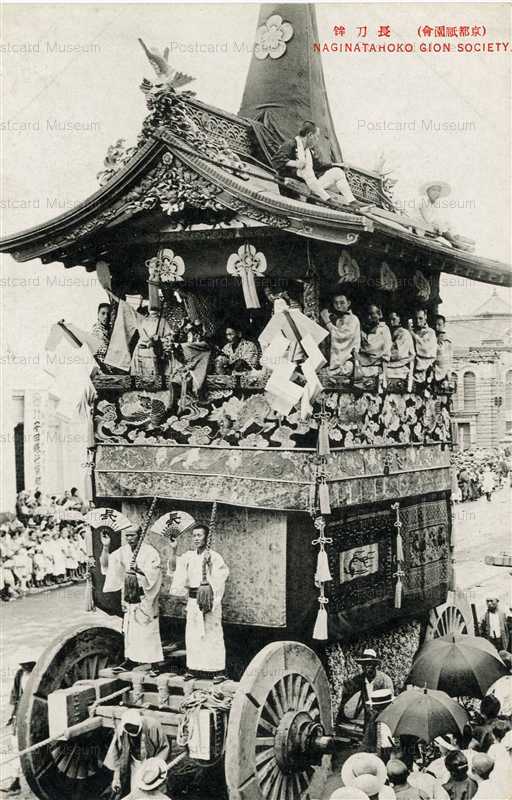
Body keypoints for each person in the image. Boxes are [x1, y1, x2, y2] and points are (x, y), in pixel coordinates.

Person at [169, 524, 229, 681]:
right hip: (193, 600)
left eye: (199, 535)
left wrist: (210, 601)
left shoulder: (214, 557)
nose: (196, 538)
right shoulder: (188, 556)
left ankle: (218, 670)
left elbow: (221, 577)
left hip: (208, 600)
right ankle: (193, 668)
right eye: (194, 535)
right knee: (193, 635)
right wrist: (174, 550)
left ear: (207, 538)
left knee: (212, 634)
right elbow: (175, 568)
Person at [100, 524, 164, 671]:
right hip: (129, 595)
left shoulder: (150, 552)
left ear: (140, 536)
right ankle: (131, 660)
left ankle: (154, 663)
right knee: (130, 631)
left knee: (147, 629)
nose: (129, 538)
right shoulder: (122, 552)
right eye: (127, 535)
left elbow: (155, 574)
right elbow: (106, 565)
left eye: (132, 535)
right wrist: (105, 546)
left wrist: (140, 570)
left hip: (145, 595)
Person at [272, 120, 371, 211]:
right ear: (310, 135)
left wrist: (337, 164)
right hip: (294, 186)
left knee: (337, 172)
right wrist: (295, 164)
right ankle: (329, 201)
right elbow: (276, 160)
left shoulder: (308, 150)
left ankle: (352, 201)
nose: (317, 139)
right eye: (317, 136)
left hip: (311, 185)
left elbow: (318, 166)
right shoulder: (291, 144)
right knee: (306, 169)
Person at [104, 709, 169, 799]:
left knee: (154, 787)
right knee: (137, 791)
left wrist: (155, 767)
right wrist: (116, 778)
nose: (132, 731)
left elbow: (164, 748)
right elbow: (117, 755)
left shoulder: (153, 725)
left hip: (151, 762)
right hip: (134, 762)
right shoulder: (121, 730)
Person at [1, 649, 39, 796]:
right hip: (20, 715)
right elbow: (14, 696)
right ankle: (16, 782)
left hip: (34, 715)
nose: (24, 667)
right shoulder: (19, 674)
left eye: (27, 665)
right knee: (16, 747)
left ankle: (35, 780)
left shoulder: (39, 675)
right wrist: (10, 716)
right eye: (22, 665)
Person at [335, 648, 394, 732]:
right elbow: (346, 691)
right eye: (364, 664)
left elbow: (390, 703)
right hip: (368, 718)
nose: (366, 667)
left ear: (375, 665)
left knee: (381, 740)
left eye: (369, 664)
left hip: (382, 718)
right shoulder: (360, 679)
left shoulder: (385, 681)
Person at [418, 182, 474, 251]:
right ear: (427, 191)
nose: (436, 193)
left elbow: (439, 218)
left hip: (435, 228)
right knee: (438, 222)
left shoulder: (435, 205)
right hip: (422, 228)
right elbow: (428, 219)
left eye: (438, 191)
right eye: (433, 190)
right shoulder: (423, 203)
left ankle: (456, 237)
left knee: (448, 222)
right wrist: (439, 224)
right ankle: (455, 243)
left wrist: (445, 224)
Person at [320, 293, 361, 376]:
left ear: (348, 303)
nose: (338, 306)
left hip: (348, 362)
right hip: (338, 363)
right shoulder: (339, 319)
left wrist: (327, 321)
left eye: (342, 303)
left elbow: (341, 336)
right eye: (336, 303)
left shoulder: (353, 319)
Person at [358, 305, 392, 379]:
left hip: (377, 366)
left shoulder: (384, 329)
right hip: (362, 364)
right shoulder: (362, 330)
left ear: (379, 315)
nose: (369, 318)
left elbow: (385, 352)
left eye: (372, 314)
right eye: (367, 315)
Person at [409, 310, 437, 382]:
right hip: (411, 370)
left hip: (424, 371)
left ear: (425, 317)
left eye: (420, 318)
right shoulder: (411, 331)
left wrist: (414, 336)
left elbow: (426, 350)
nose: (418, 321)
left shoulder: (431, 332)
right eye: (416, 318)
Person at [388, 311, 415, 381]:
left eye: (393, 319)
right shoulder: (393, 332)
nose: (391, 322)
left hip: (401, 361)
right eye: (390, 320)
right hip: (395, 359)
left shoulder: (403, 333)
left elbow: (399, 353)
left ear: (399, 319)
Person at [433, 315, 453, 385]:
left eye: (439, 325)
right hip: (432, 371)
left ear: (444, 325)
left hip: (441, 374)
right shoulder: (431, 337)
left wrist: (448, 375)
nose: (436, 327)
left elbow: (449, 360)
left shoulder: (447, 341)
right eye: (435, 324)